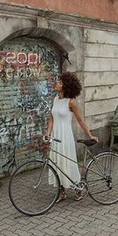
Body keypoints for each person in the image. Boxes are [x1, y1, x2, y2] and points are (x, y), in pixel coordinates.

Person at [45, 72, 98, 201]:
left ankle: (78, 188)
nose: (57, 83)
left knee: (68, 164)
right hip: (56, 136)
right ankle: (62, 192)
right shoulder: (55, 99)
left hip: (65, 137)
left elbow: (80, 120)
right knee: (57, 163)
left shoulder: (71, 102)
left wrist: (90, 135)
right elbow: (52, 118)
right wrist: (48, 133)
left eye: (60, 82)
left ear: (66, 86)